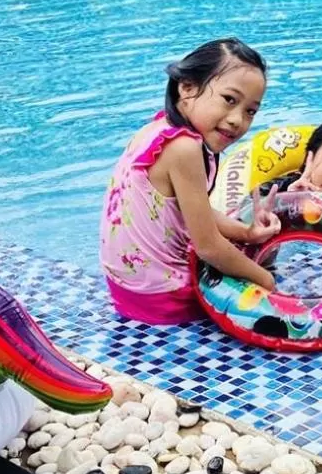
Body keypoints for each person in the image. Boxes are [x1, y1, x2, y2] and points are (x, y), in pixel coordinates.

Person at [100, 39, 281, 326]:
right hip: (164, 300)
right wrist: (267, 281)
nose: (237, 120)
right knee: (264, 272)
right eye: (229, 99)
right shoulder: (184, 149)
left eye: (250, 111)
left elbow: (189, 212)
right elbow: (208, 246)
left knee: (251, 248)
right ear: (187, 87)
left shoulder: (159, 128)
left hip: (127, 291)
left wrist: (246, 233)